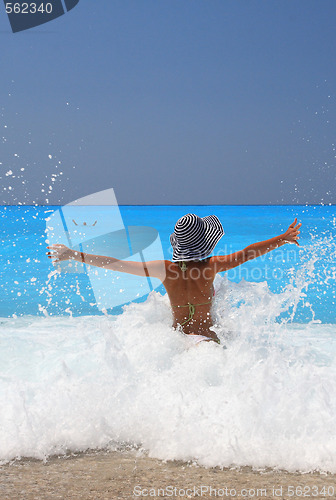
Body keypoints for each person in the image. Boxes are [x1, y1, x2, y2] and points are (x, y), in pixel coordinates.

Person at [47, 214, 301, 345]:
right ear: (205, 242)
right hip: (205, 341)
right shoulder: (211, 266)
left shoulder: (165, 269)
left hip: (174, 341)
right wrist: (283, 238)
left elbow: (116, 264)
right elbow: (247, 253)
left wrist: (74, 255)